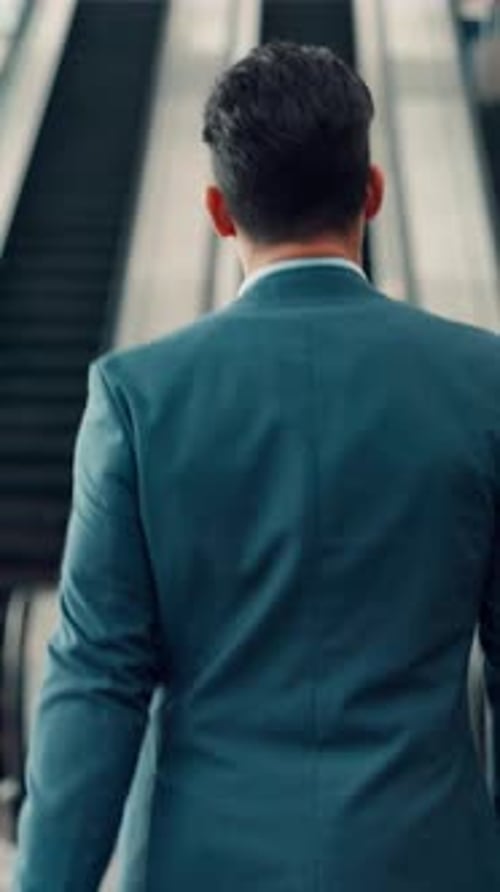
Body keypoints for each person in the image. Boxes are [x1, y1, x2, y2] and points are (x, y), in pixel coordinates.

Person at [14, 41, 500, 892]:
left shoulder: (138, 397)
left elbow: (97, 679)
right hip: (425, 861)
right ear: (373, 195)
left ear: (218, 210)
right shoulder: (483, 384)